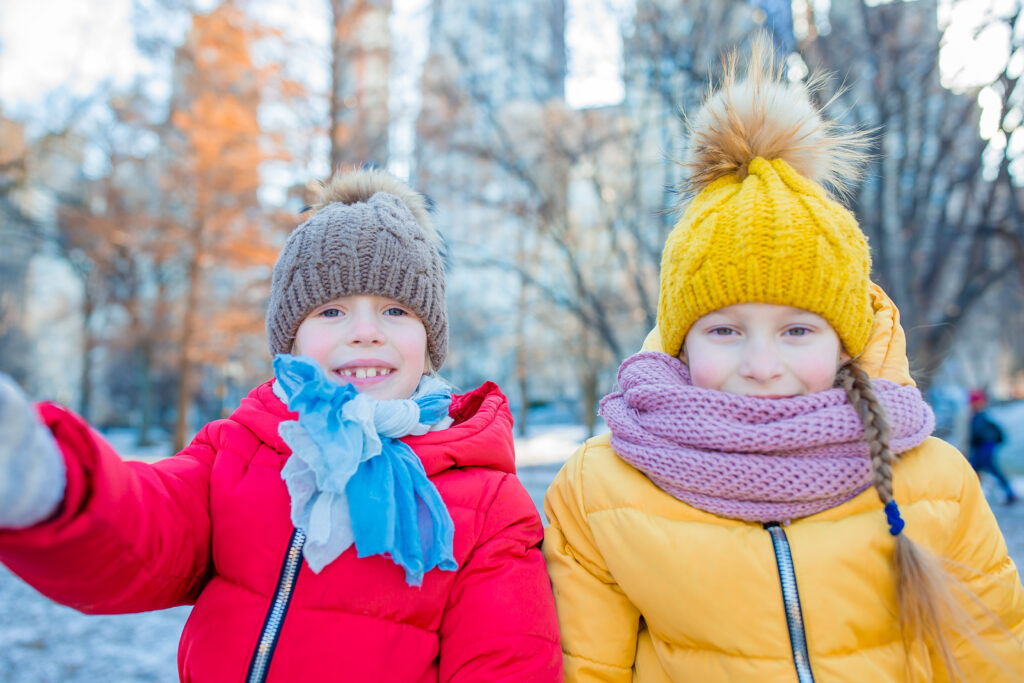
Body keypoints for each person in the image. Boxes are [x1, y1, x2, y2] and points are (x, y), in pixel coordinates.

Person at [543, 40, 1024, 681]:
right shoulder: (600, 490)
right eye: (725, 331)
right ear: (682, 339)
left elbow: (993, 658)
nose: (763, 364)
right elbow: (588, 669)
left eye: (797, 330)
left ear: (843, 341)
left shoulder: (934, 483)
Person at [0, 169, 562, 682]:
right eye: (331, 310)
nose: (366, 332)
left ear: (429, 341)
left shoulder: (488, 505)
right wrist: (44, 478)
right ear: (290, 340)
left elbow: (508, 663)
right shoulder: (237, 452)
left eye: (396, 310)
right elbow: (141, 531)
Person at [969, 388, 1018, 505]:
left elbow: (977, 433)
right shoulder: (981, 416)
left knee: (975, 471)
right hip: (983, 449)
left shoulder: (981, 416)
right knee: (978, 471)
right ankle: (1008, 493)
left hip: (984, 449)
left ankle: (1009, 493)